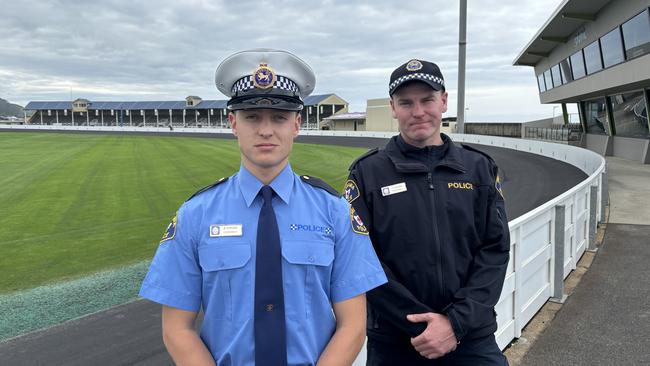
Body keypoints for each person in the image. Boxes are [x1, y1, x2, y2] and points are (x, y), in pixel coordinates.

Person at [139, 49, 387, 366]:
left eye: (279, 118)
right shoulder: (196, 214)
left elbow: (353, 325)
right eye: (252, 117)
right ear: (233, 123)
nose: (266, 130)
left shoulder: (335, 212)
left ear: (296, 124)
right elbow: (177, 329)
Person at [345, 59, 510, 365]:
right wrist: (422, 326)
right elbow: (361, 259)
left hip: (470, 337)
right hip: (395, 340)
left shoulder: (478, 168)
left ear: (444, 101)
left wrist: (454, 324)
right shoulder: (368, 173)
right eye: (406, 103)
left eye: (427, 100)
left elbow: (495, 251)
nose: (417, 112)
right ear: (393, 107)